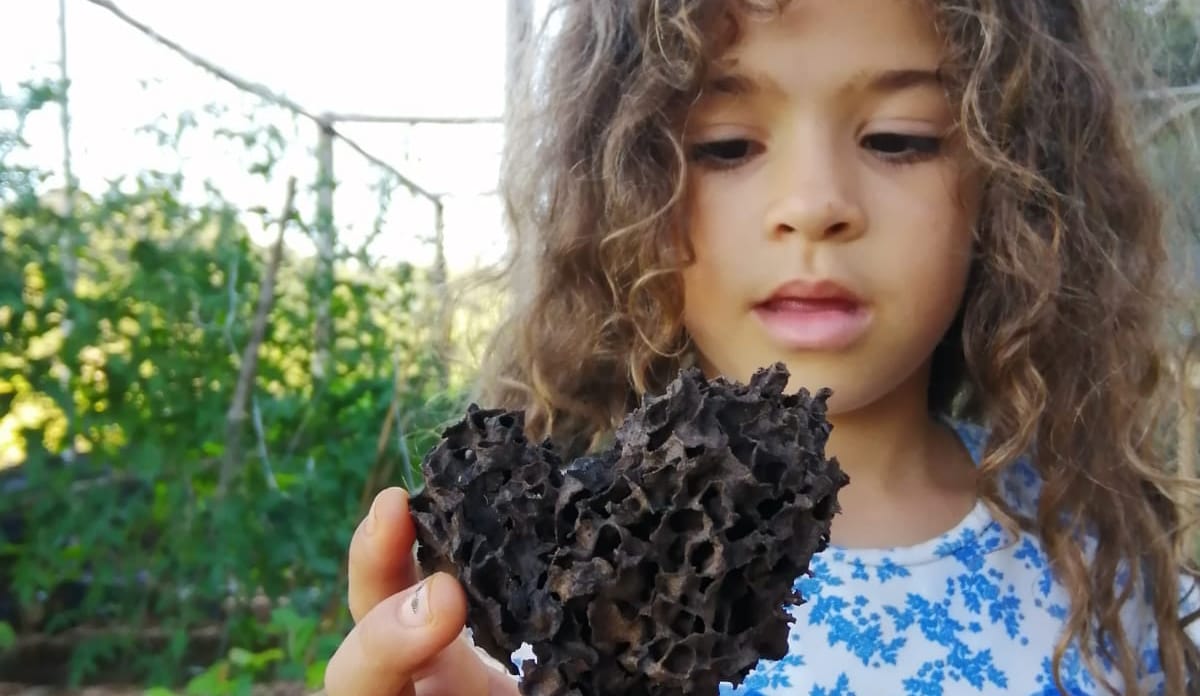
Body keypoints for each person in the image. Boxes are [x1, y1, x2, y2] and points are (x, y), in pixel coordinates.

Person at [324, 0, 1200, 693]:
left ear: (1017, 187)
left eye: (900, 138)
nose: (814, 202)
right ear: (628, 186)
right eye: (726, 144)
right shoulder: (547, 591)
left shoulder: (1122, 587)